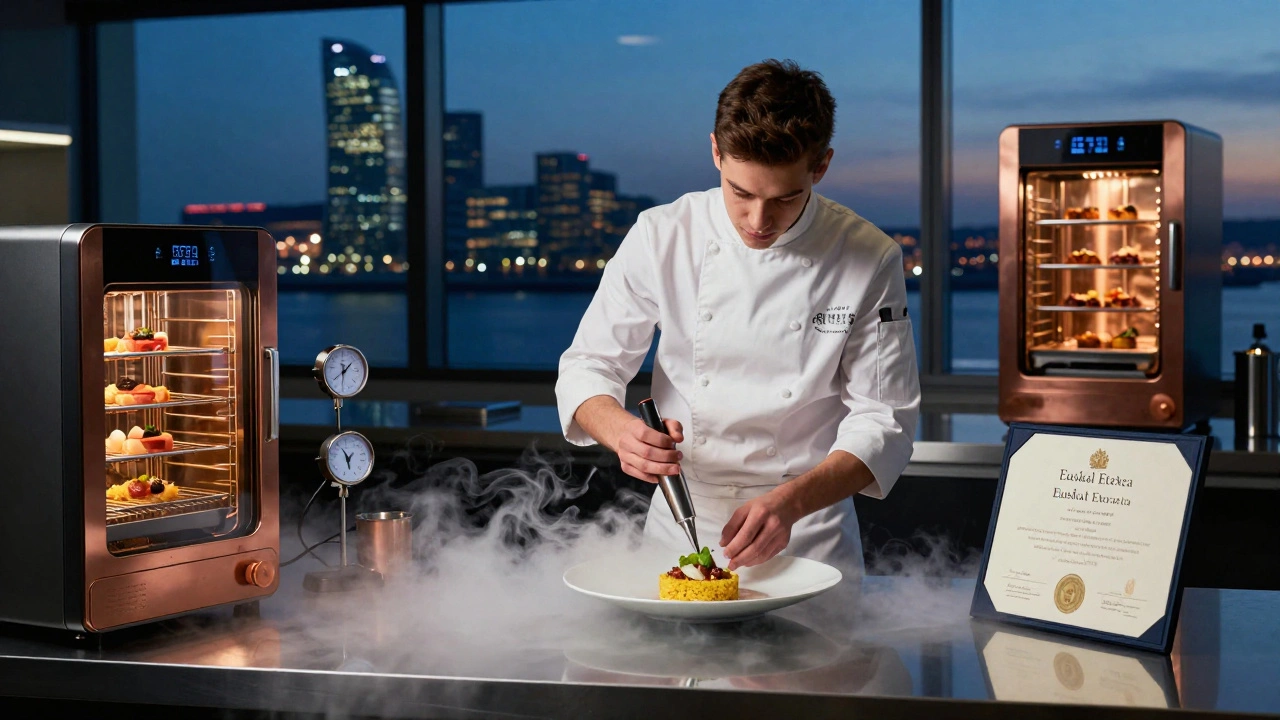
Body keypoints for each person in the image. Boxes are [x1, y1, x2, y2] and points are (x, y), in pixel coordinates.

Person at [555, 59, 920, 575]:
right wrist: (619, 431)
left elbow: (886, 421)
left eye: (785, 198)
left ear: (821, 167)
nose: (758, 221)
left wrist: (790, 503)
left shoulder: (866, 255)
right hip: (682, 522)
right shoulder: (662, 235)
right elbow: (588, 366)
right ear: (715, 153)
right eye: (741, 193)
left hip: (806, 531)